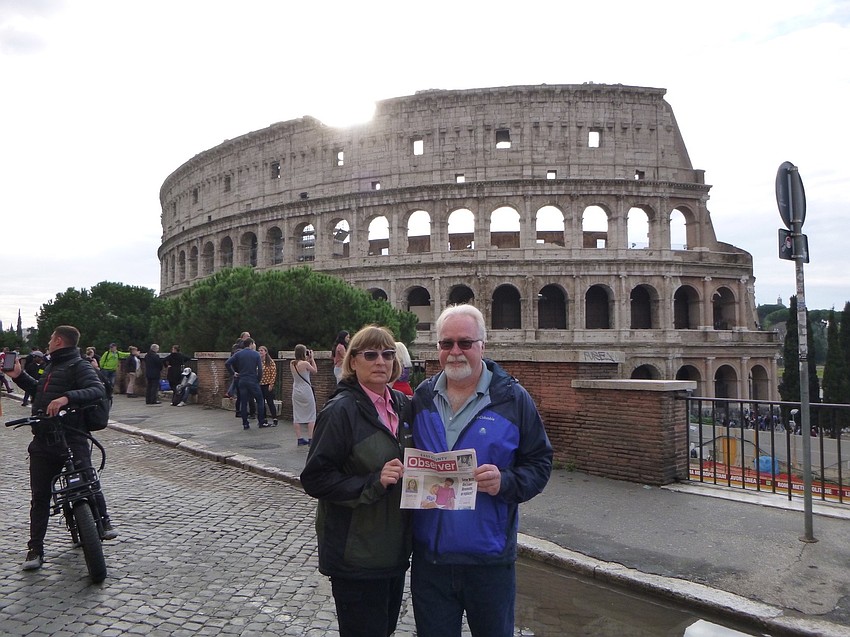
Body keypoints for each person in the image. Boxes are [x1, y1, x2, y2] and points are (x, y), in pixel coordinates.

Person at [410, 304, 553, 637]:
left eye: (465, 343)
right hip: (431, 560)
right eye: (447, 344)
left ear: (482, 346)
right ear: (438, 349)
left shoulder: (513, 399)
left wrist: (506, 481)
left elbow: (540, 463)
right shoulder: (422, 398)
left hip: (489, 560)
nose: (455, 352)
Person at [300, 325, 413, 637]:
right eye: (371, 354)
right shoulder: (340, 411)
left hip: (393, 551)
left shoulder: (404, 406)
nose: (381, 361)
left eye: (388, 354)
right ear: (352, 362)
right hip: (356, 556)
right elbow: (315, 479)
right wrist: (373, 482)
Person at [6, 325, 118, 571]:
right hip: (44, 439)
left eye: (50, 338)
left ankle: (104, 521)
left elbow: (97, 390)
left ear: (57, 341)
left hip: (72, 436)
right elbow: (41, 392)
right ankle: (35, 549)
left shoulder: (79, 365)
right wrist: (19, 377)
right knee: (40, 497)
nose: (48, 342)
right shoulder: (52, 365)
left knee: (88, 479)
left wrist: (67, 397)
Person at [225, 337, 265, 429]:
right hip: (253, 380)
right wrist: (258, 380)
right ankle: (261, 421)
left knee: (243, 402)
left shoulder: (239, 354)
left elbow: (227, 363)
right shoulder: (256, 355)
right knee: (260, 400)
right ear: (251, 344)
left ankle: (245, 423)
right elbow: (260, 370)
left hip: (242, 380)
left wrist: (233, 373)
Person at [290, 344, 317, 445]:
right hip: (306, 390)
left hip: (296, 390)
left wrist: (308, 359)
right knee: (311, 414)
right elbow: (314, 371)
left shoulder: (292, 363)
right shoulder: (305, 364)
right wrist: (312, 359)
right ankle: (310, 438)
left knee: (297, 414)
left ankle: (299, 438)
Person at [258, 345, 278, 426]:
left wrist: (271, 384)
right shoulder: (258, 361)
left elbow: (273, 374)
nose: (260, 352)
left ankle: (274, 418)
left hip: (267, 384)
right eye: (259, 350)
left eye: (261, 350)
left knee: (270, 402)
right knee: (261, 402)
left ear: (265, 352)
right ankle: (264, 418)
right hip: (260, 384)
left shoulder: (270, 362)